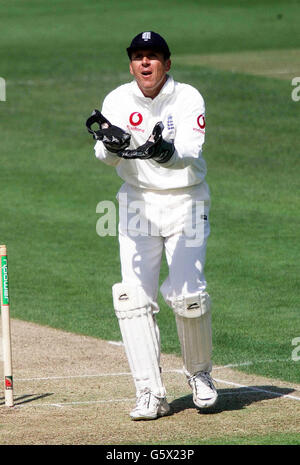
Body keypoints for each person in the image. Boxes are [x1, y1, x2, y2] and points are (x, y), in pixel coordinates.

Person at [87, 31, 218, 420]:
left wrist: (166, 153)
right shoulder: (116, 99)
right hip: (137, 203)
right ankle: (149, 392)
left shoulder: (188, 97)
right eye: (138, 56)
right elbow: (103, 155)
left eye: (153, 56)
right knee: (132, 298)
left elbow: (191, 152)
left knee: (189, 294)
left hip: (186, 201)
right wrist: (111, 146)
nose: (145, 63)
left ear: (167, 63)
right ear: (131, 64)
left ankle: (200, 376)